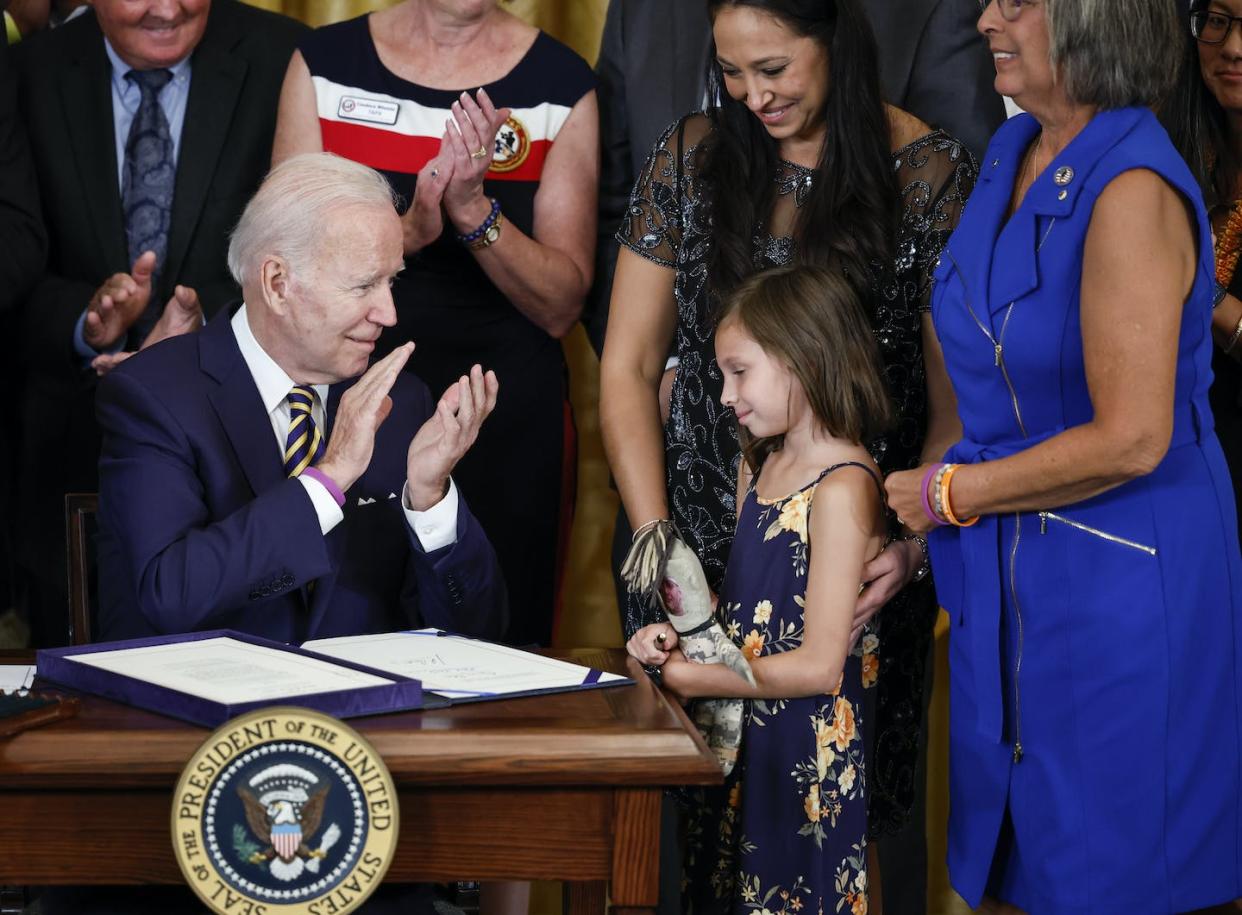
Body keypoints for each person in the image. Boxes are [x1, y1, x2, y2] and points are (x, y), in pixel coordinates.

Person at [884, 0, 1242, 910]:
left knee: (1113, 878)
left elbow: (1133, 435)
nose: (985, 16)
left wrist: (952, 494)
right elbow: (975, 372)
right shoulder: (1011, 150)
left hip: (1122, 587)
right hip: (1009, 577)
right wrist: (927, 528)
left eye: (1017, 1)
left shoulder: (1133, 186)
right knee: (1017, 872)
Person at [600, 0, 971, 878]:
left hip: (847, 564)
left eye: (773, 70)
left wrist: (915, 542)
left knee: (833, 830)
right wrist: (659, 539)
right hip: (690, 548)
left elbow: (956, 405)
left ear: (836, 43)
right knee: (683, 831)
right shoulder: (691, 157)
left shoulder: (924, 173)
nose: (750, 95)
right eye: (731, 72)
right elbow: (626, 366)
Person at [271, 0, 598, 651]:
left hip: (505, 414)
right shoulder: (325, 66)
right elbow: (284, 258)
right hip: (354, 402)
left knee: (503, 646)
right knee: (347, 630)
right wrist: (409, 232)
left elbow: (562, 302)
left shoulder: (560, 82)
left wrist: (472, 209)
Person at [95, 152, 506, 649]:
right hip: (199, 719)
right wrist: (330, 477)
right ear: (277, 284)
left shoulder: (401, 402)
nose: (390, 313)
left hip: (366, 720)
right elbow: (169, 594)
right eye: (363, 285)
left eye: (391, 281)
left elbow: (476, 639)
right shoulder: (154, 396)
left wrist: (431, 500)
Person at [12, 0, 307, 648]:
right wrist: (89, 322)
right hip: (66, 444)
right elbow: (16, 265)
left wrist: (199, 347)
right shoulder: (28, 73)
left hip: (238, 441)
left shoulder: (283, 56)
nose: (168, 9)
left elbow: (303, 251)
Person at [628, 265, 890, 914]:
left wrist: (692, 680)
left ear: (801, 355)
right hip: (743, 743)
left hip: (805, 756)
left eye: (739, 371)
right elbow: (745, 615)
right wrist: (680, 636)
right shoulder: (763, 463)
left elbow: (820, 664)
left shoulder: (844, 485)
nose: (723, 394)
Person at [1162, 0, 1242, 544]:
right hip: (1176, 471)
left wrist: (1205, 296)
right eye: (1218, 21)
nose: (1234, 47)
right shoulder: (1173, 149)